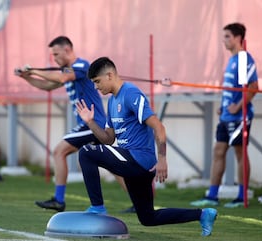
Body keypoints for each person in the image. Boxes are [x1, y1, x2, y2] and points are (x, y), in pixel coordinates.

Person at [75, 57, 217, 236]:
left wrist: (163, 159)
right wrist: (90, 122)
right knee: (148, 218)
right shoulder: (112, 101)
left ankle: (97, 207)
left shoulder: (131, 93)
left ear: (110, 75)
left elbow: (159, 127)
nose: (96, 87)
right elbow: (108, 139)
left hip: (139, 160)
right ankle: (203, 215)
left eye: (97, 81)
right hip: (132, 163)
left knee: (86, 152)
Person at [16, 36, 108, 212]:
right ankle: (139, 202)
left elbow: (61, 79)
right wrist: (26, 76)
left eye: (56, 54)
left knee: (59, 151)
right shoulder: (67, 71)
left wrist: (33, 69)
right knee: (110, 165)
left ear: (67, 50)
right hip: (90, 124)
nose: (55, 59)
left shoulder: (81, 66)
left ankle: (59, 200)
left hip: (92, 123)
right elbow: (47, 86)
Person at [190, 23, 258, 208]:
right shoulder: (232, 59)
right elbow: (233, 89)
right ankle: (212, 196)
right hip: (226, 116)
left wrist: (238, 106)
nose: (224, 40)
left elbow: (253, 88)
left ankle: (242, 196)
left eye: (227, 36)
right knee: (218, 151)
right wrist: (224, 107)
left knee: (239, 153)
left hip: (239, 118)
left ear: (238, 38)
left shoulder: (243, 58)